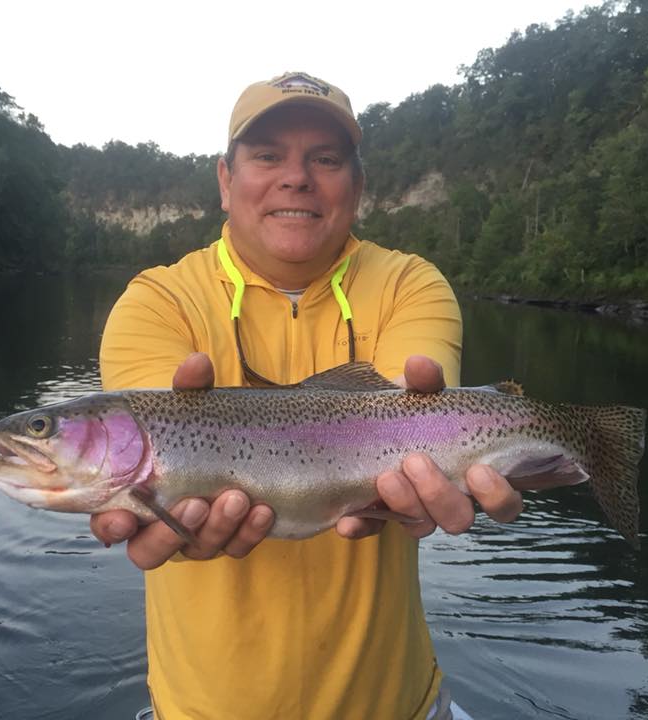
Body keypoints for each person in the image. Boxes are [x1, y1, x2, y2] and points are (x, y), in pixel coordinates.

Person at [92, 71, 523, 720]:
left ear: (358, 187)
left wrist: (431, 468)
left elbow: (418, 411)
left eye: (324, 159)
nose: (296, 177)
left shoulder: (409, 282)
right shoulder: (157, 300)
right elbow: (148, 483)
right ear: (224, 180)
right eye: (267, 155)